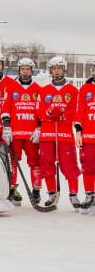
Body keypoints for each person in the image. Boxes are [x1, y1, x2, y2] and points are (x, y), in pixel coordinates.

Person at [36, 56, 80, 209]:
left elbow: (74, 111)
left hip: (65, 134)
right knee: (47, 163)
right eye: (54, 69)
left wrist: (62, 113)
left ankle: (74, 194)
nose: (56, 71)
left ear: (64, 69)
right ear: (51, 71)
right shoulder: (44, 90)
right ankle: (51, 193)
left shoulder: (73, 90)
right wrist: (48, 112)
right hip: (47, 134)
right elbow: (39, 111)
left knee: (70, 164)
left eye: (59, 68)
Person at [1, 58, 42, 205]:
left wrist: (39, 127)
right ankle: (11, 189)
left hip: (31, 134)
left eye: (28, 69)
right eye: (22, 69)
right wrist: (6, 126)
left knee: (35, 162)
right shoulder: (11, 87)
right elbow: (6, 107)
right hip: (16, 132)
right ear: (19, 71)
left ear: (32, 71)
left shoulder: (38, 89)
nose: (25, 71)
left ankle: (36, 190)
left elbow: (41, 111)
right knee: (12, 161)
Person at [74, 60, 95, 213]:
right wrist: (79, 131)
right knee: (87, 166)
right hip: (89, 135)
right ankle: (89, 195)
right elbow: (80, 111)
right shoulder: (85, 88)